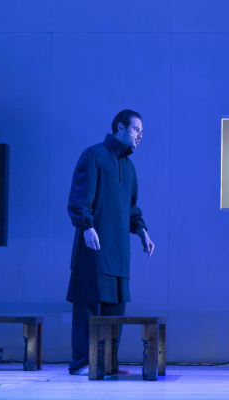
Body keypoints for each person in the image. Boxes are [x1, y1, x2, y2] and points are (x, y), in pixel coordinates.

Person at [66, 109, 155, 375]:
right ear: (120, 127)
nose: (140, 135)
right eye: (136, 129)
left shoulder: (128, 166)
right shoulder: (93, 155)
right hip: (94, 248)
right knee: (89, 304)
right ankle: (83, 362)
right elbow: (80, 198)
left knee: (115, 309)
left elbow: (131, 208)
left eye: (141, 131)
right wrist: (87, 226)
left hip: (119, 251)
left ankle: (107, 363)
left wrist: (142, 232)